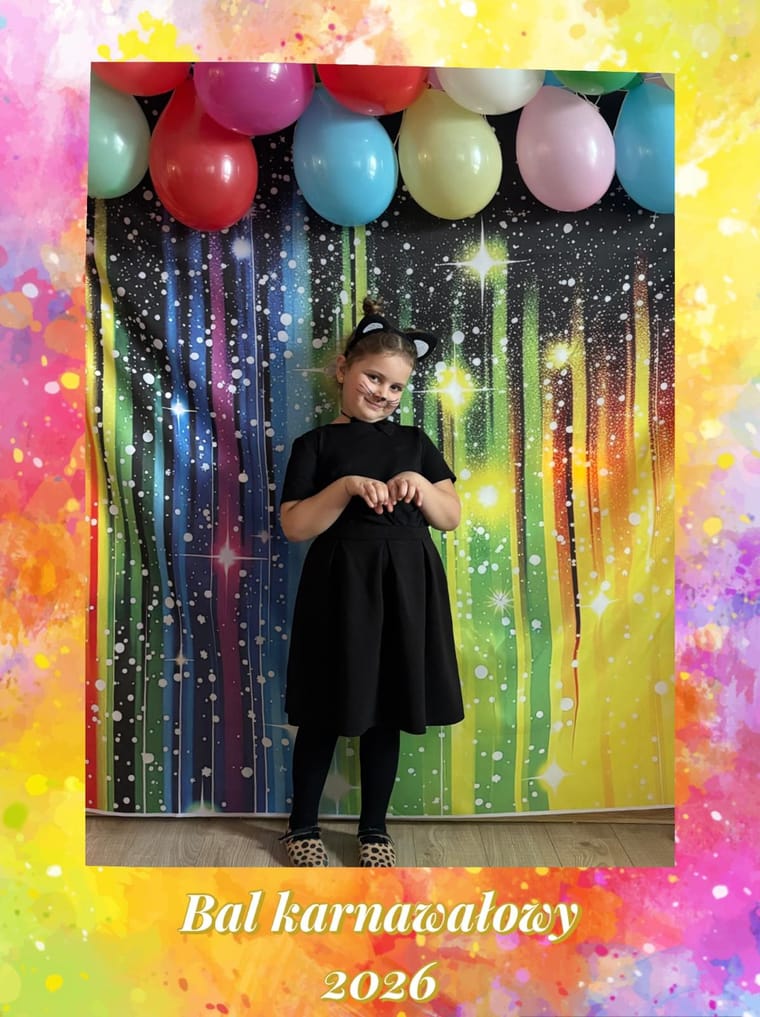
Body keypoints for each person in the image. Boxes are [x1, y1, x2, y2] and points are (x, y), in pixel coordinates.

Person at [278, 296, 464, 867]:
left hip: (407, 591)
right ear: (343, 369)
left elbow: (450, 517)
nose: (383, 393)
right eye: (373, 377)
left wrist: (420, 484)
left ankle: (375, 829)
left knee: (388, 710)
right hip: (339, 591)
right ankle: (301, 826)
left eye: (396, 386)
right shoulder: (315, 445)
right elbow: (295, 526)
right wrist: (345, 487)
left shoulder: (415, 443)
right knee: (324, 710)